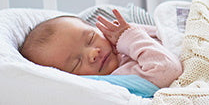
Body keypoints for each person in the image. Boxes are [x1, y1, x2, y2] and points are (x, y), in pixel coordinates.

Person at [19, 9, 182, 88]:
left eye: (90, 38)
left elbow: (168, 35)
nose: (92, 53)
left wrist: (127, 34)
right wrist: (131, 38)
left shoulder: (120, 36)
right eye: (76, 63)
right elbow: (168, 70)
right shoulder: (118, 79)